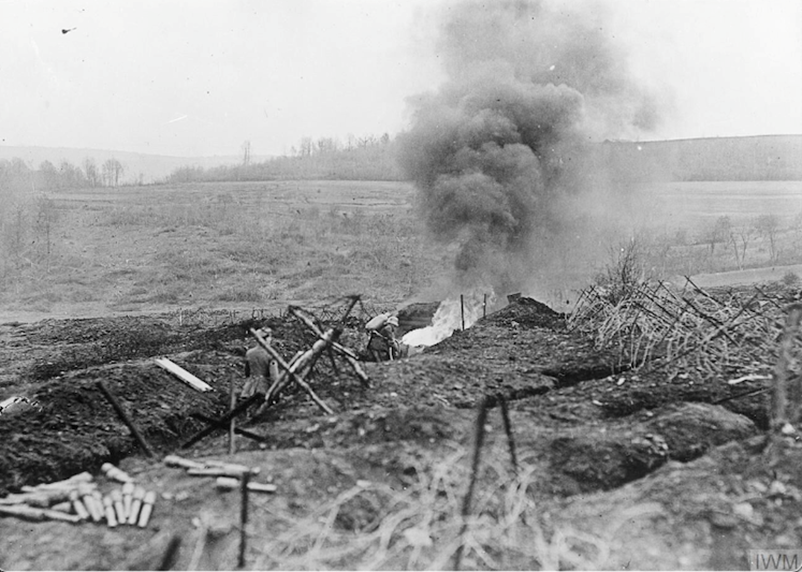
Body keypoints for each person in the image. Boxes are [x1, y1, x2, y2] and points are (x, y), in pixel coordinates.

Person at [242, 327, 279, 399]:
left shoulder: (249, 353)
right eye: (269, 337)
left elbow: (247, 372)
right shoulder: (270, 354)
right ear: (266, 339)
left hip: (250, 387)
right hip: (264, 387)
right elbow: (274, 376)